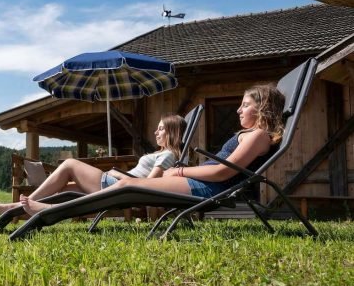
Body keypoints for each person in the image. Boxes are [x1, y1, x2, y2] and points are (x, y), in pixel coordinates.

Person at [21, 85, 285, 214]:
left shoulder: (259, 135)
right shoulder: (251, 134)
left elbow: (221, 173)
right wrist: (181, 173)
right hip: (197, 183)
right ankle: (41, 207)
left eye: (246, 105)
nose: (239, 109)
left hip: (205, 189)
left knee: (128, 188)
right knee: (126, 187)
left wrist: (180, 172)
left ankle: (48, 210)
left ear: (262, 109)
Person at [0, 113, 187, 215]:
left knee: (70, 165)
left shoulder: (168, 155)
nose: (155, 132)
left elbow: (149, 186)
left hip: (118, 186)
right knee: (63, 186)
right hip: (117, 184)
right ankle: (36, 207)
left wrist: (119, 176)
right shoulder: (164, 154)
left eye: (160, 129)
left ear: (172, 132)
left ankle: (17, 207)